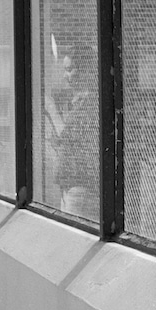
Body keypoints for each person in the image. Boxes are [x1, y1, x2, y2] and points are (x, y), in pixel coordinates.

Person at [53, 43, 100, 220]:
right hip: (69, 188)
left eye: (70, 69)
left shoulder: (92, 104)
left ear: (86, 71)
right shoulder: (78, 101)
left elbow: (68, 136)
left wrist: (52, 111)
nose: (65, 76)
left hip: (81, 190)